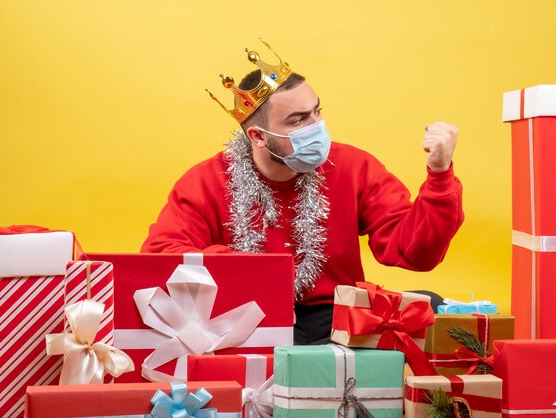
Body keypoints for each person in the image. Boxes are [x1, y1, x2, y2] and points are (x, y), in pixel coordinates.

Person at [141, 41, 464, 344]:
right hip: (244, 321)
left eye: (316, 111)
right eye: (298, 120)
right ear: (258, 136)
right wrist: (255, 272)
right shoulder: (206, 181)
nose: (316, 126)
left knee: (427, 307)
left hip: (333, 318)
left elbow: (414, 252)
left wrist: (439, 174)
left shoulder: (353, 166)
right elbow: (161, 254)